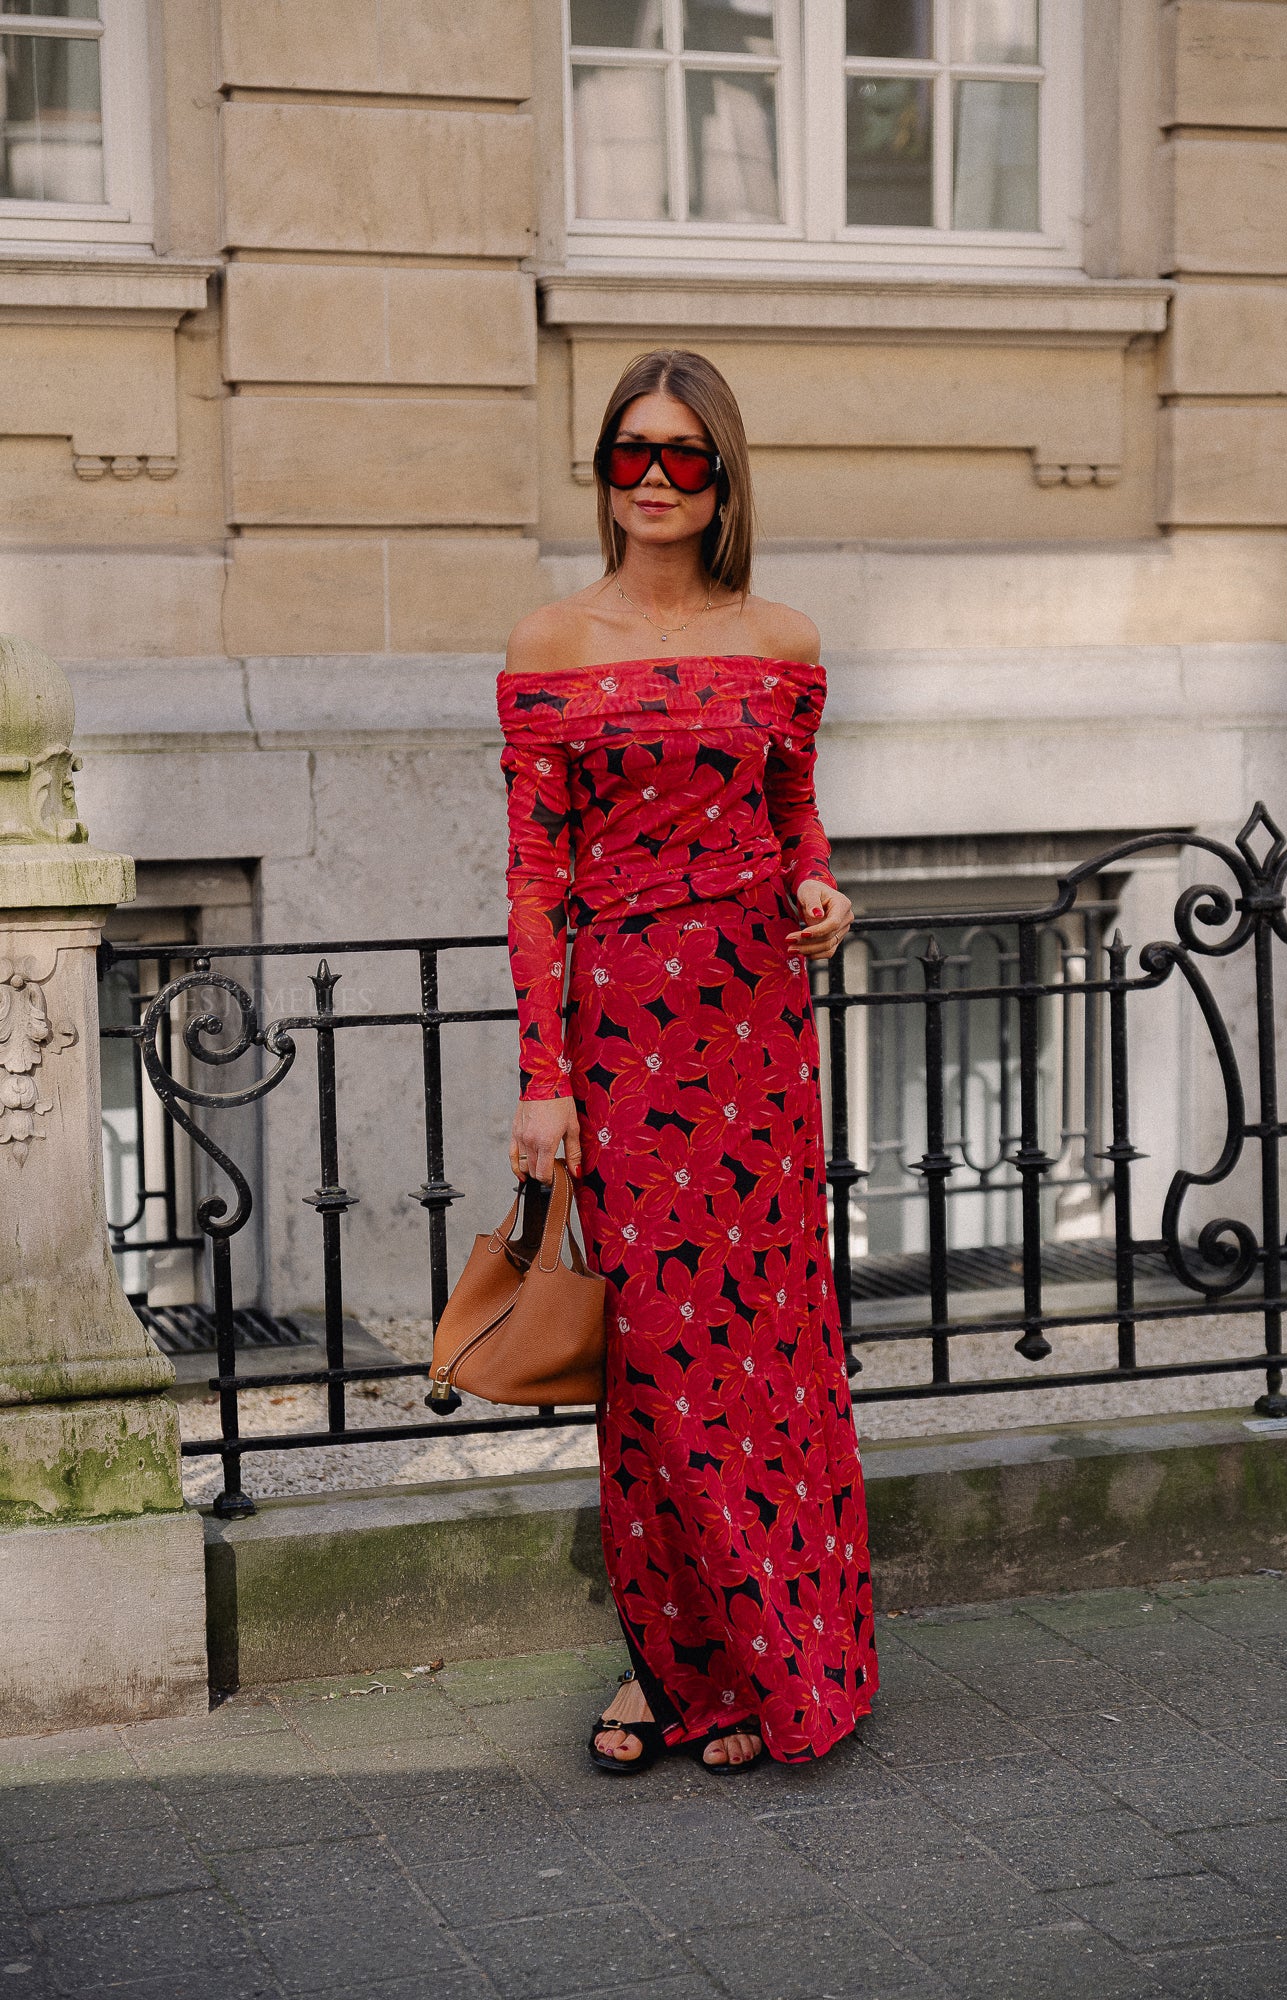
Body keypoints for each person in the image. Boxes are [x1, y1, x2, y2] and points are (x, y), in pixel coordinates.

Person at [500, 348, 877, 1772]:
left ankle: (792, 1657)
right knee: (657, 1353)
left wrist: (821, 896)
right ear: (601, 471)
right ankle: (671, 1664)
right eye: (628, 453)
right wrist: (545, 1077)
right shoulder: (549, 643)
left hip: (752, 1032)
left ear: (722, 478)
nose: (653, 479)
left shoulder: (779, 639)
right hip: (619, 1037)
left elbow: (795, 825)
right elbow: (534, 876)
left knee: (767, 1349)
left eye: (683, 456)